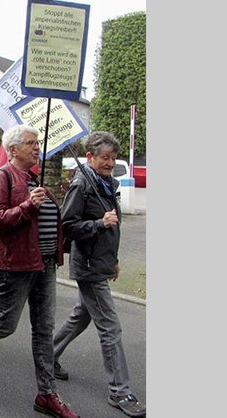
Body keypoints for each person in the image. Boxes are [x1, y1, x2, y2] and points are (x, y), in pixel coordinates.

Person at [0, 125, 79, 418]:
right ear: (14, 149)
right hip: (15, 265)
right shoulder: (1, 177)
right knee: (5, 325)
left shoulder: (33, 178)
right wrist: (27, 207)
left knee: (44, 329)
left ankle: (46, 394)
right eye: (31, 143)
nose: (37, 148)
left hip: (43, 263)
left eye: (38, 143)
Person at [52, 131, 146, 418]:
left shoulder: (104, 183)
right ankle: (119, 391)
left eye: (113, 157)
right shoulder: (81, 185)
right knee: (111, 329)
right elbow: (68, 226)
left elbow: (112, 228)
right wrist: (97, 223)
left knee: (80, 316)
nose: (110, 162)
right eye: (104, 157)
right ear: (90, 157)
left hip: (101, 263)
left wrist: (113, 261)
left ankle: (47, 357)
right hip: (89, 267)